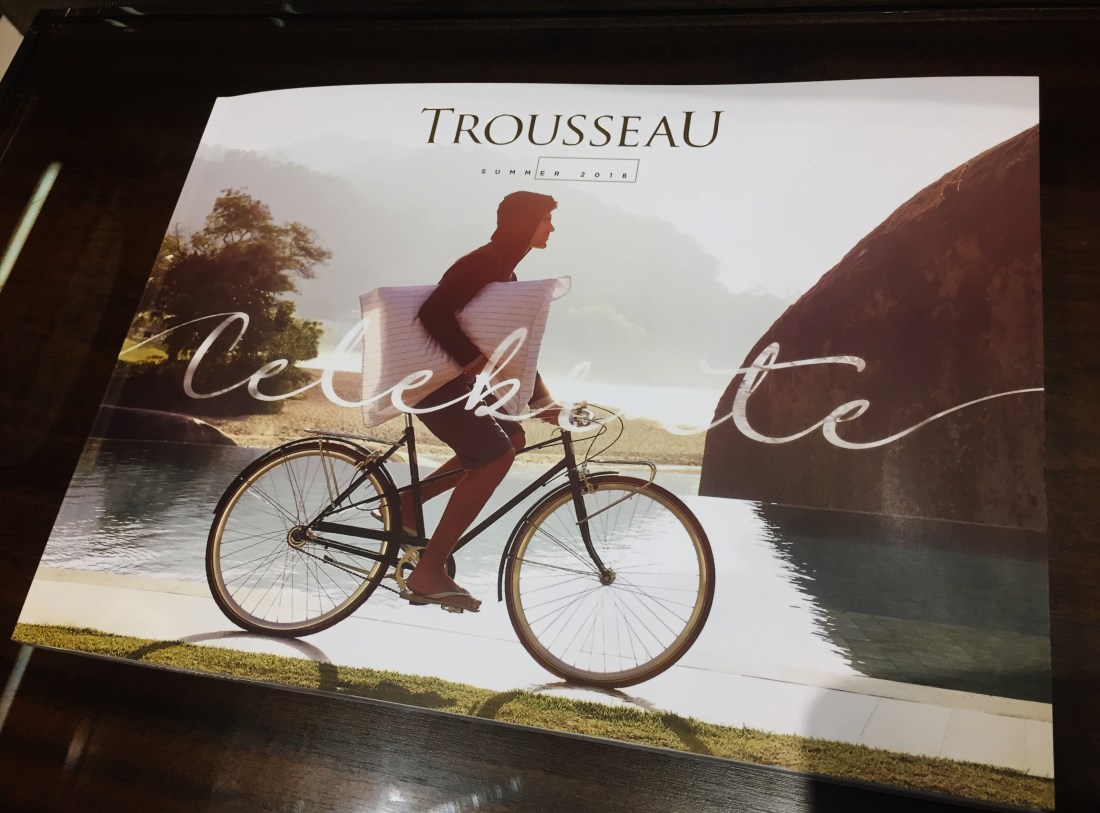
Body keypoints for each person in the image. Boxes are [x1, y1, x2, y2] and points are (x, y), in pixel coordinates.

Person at [400, 191, 562, 612]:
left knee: (513, 437)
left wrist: (545, 401)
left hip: (449, 379)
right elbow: (433, 313)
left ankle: (406, 503)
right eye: (545, 218)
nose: (552, 227)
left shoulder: (503, 271)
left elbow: (512, 349)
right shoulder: (483, 263)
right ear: (524, 222)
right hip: (434, 381)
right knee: (496, 454)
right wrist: (473, 361)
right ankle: (428, 571)